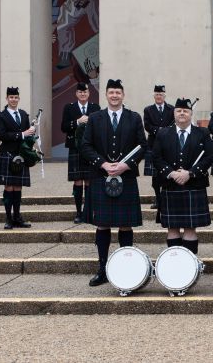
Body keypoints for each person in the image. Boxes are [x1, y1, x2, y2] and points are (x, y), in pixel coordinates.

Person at [80, 79, 147, 287]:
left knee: (125, 225)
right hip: (101, 176)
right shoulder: (95, 118)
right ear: (106, 95)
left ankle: (126, 268)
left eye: (118, 92)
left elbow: (143, 146)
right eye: (111, 92)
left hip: (125, 177)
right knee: (102, 224)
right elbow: (85, 146)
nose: (115, 95)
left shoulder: (134, 118)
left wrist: (127, 165)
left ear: (123, 95)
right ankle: (103, 269)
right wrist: (103, 164)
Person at [152, 98, 213, 254]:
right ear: (174, 113)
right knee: (172, 228)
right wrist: (171, 173)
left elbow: (209, 157)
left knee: (190, 228)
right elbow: (156, 157)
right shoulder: (163, 133)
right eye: (179, 110)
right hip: (170, 185)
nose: (182, 113)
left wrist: (190, 173)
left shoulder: (203, 133)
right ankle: (174, 263)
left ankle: (189, 266)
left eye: (185, 111)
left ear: (191, 113)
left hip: (194, 185)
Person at [0, 87, 36, 229]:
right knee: (9, 187)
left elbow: (27, 137)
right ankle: (8, 218)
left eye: (16, 97)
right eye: (11, 97)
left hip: (21, 155)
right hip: (7, 154)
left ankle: (17, 217)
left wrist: (31, 137)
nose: (13, 100)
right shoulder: (0, 116)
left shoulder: (24, 114)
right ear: (7, 98)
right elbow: (2, 136)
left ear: (18, 98)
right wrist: (23, 134)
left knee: (18, 187)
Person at [60, 82, 100, 223]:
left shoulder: (95, 108)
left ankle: (88, 212)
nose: (83, 94)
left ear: (89, 93)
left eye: (85, 92)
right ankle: (78, 212)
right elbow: (63, 127)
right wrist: (77, 121)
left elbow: (100, 127)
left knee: (89, 181)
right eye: (80, 92)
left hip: (90, 149)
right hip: (75, 148)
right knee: (77, 181)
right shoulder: (69, 107)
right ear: (77, 94)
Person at [143, 85, 173, 211]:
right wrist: (159, 130)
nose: (159, 96)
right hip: (153, 145)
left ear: (164, 95)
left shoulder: (172, 109)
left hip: (168, 145)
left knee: (167, 173)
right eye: (157, 94)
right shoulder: (148, 110)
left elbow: (174, 123)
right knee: (155, 176)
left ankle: (167, 199)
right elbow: (147, 126)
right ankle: (157, 198)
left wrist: (165, 131)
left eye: (161, 94)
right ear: (154, 95)